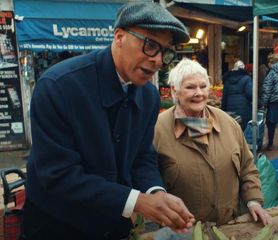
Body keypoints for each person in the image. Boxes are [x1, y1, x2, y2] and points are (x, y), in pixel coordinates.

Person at [21, 3, 195, 240]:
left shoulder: (148, 96)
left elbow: (143, 156)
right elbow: (58, 175)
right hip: (56, 228)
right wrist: (137, 201)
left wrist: (156, 193)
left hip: (113, 228)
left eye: (166, 52)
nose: (158, 61)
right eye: (151, 45)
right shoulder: (58, 86)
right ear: (119, 36)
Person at [153, 59, 272, 226]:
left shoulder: (228, 123)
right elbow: (148, 178)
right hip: (182, 231)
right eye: (190, 87)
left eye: (203, 86)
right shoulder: (158, 129)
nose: (199, 93)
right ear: (175, 90)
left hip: (228, 227)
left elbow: (247, 167)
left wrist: (253, 200)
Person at [221, 60, 253, 131]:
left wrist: (223, 110)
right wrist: (258, 104)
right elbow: (250, 94)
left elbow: (224, 97)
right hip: (244, 108)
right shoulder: (247, 78)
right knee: (243, 130)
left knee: (233, 129)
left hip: (230, 108)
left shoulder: (227, 79)